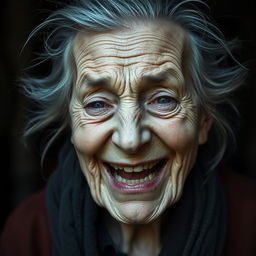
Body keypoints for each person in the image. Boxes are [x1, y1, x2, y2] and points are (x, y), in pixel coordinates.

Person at [0, 0, 256, 255]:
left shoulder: (249, 225)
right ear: (71, 123)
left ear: (203, 120)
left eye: (163, 100)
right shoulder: (29, 234)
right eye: (98, 104)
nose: (130, 140)